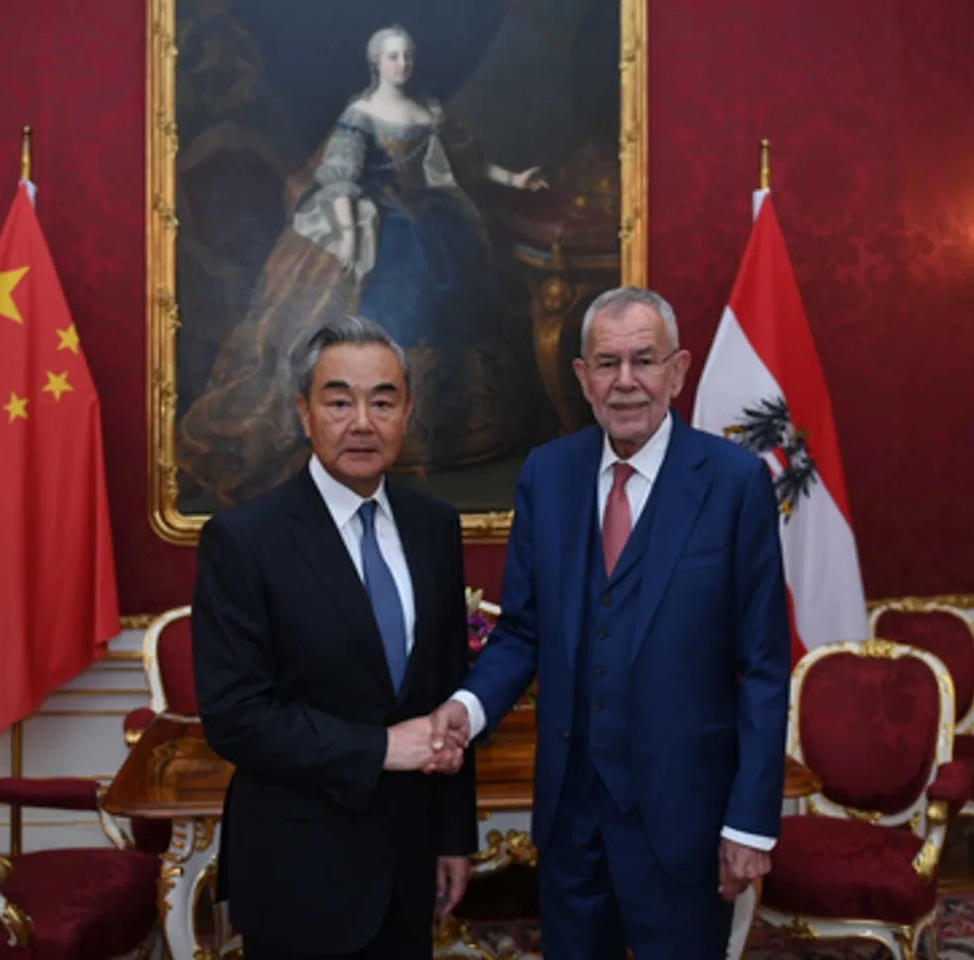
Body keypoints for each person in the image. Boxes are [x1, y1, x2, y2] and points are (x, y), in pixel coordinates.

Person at [430, 286, 792, 959]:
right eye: (606, 363)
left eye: (643, 360)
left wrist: (749, 823)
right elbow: (521, 633)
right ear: (582, 377)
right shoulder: (547, 474)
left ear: (677, 371)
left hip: (685, 819)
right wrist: (466, 709)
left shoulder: (734, 482)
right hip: (571, 821)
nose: (625, 382)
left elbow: (766, 667)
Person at [192, 315, 478, 960]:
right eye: (339, 402)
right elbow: (236, 717)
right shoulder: (244, 540)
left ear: (407, 412)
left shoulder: (434, 527)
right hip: (299, 870)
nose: (362, 423)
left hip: (409, 865)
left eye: (383, 402)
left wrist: (452, 837)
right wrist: (381, 748)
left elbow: (447, 694)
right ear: (304, 412)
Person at [177, 24, 547, 505]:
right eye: (393, 56)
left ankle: (454, 429)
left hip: (436, 223)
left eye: (407, 55)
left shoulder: (429, 111)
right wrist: (351, 239)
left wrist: (516, 180)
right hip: (374, 222)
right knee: (390, 309)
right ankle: (380, 430)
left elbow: (468, 163)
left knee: (458, 305)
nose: (402, 64)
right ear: (377, 63)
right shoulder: (361, 115)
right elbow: (341, 181)